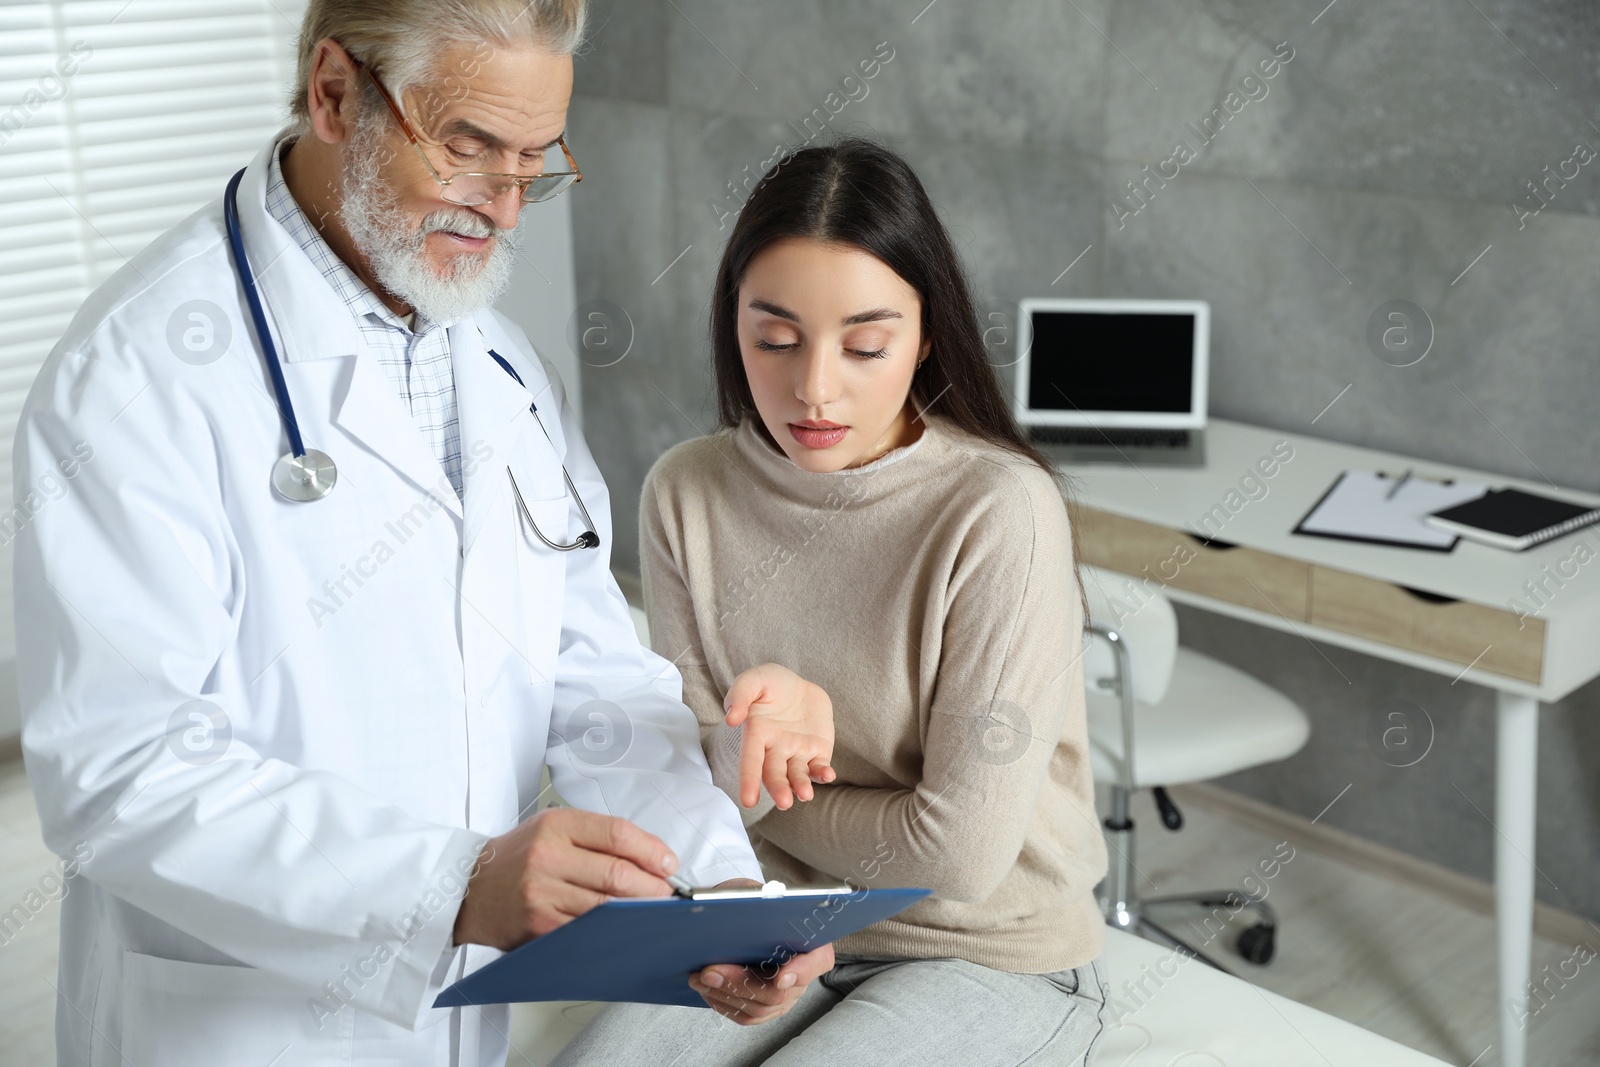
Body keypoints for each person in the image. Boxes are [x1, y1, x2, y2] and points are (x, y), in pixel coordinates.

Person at [12, 3, 829, 1064]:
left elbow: (591, 680)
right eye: (467, 149)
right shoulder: (136, 375)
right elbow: (118, 767)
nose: (503, 208)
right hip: (237, 1026)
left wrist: (710, 887)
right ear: (334, 92)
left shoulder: (490, 356)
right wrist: (445, 885)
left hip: (455, 1019)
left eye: (534, 162)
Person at [553, 138, 1111, 1067]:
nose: (814, 387)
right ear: (732, 325)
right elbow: (688, 776)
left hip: (992, 948)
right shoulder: (686, 490)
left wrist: (754, 785)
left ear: (928, 333)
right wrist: (740, 749)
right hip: (775, 928)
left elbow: (960, 855)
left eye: (864, 345)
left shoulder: (996, 510)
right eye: (775, 338)